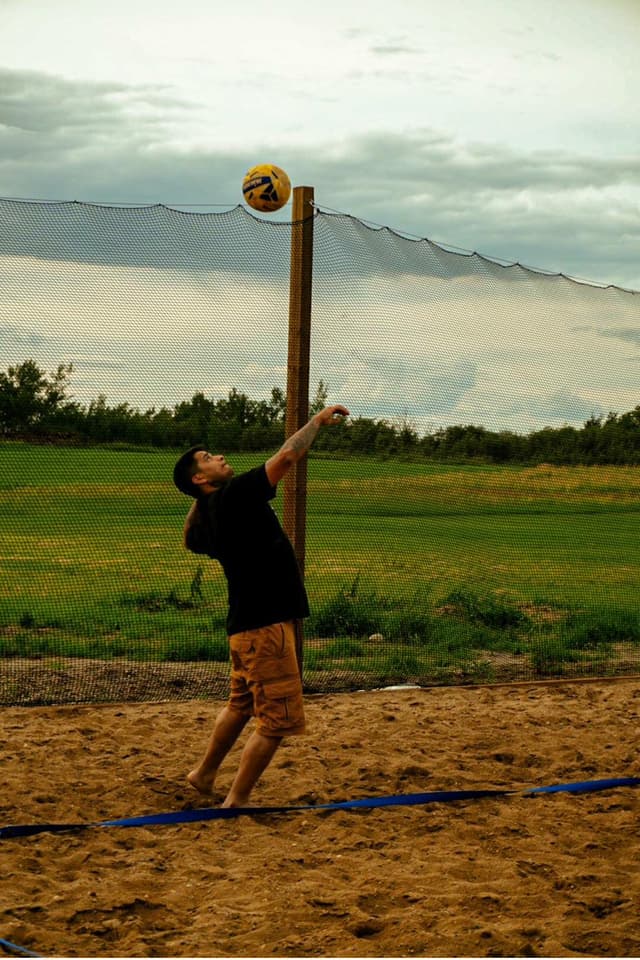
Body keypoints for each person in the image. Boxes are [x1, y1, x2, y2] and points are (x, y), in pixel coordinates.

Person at [172, 404, 349, 807]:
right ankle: (236, 800)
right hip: (266, 627)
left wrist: (199, 496)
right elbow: (287, 456)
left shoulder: (207, 516)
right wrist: (316, 421)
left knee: (241, 705)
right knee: (277, 721)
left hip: (245, 629)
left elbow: (188, 538)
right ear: (200, 478)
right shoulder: (234, 497)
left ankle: (204, 775)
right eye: (208, 458)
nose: (219, 456)